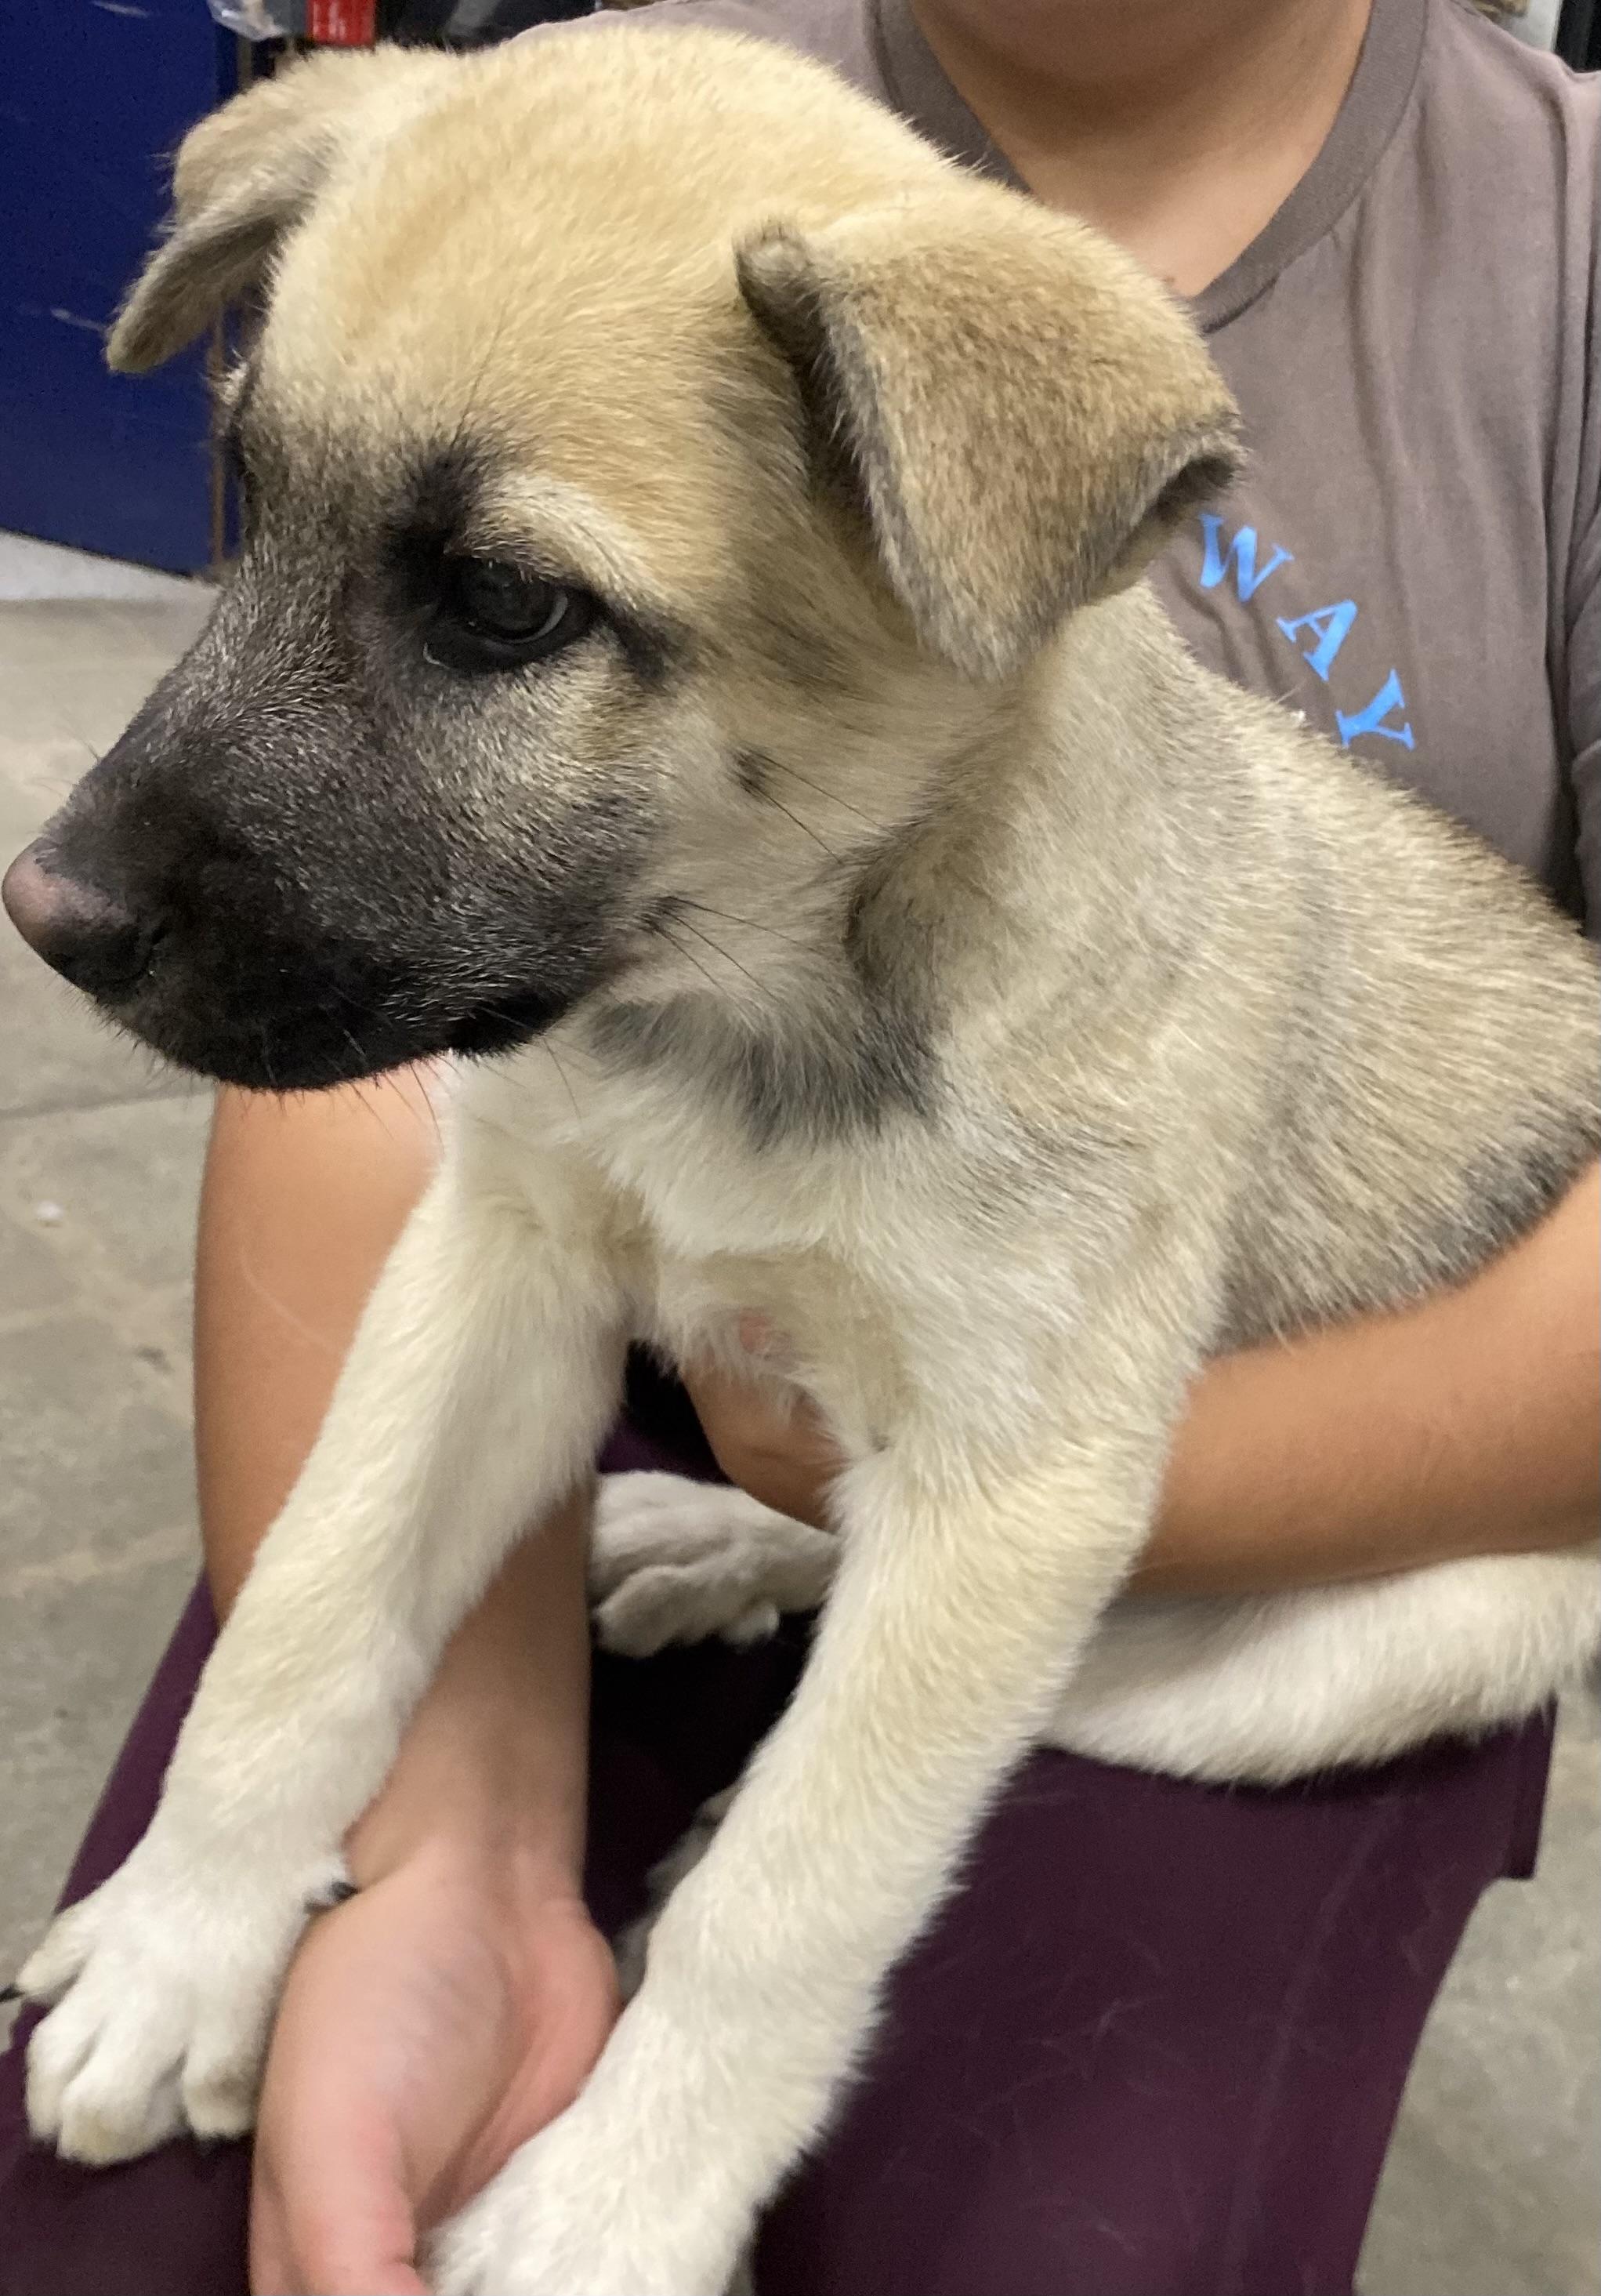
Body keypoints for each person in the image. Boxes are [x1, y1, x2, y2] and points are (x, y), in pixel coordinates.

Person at [2, 2, 1596, 2291]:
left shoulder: (1538, 265)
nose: (72, 878)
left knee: (1075, 2217)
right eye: (267, 482)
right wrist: (298, 1827)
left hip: (1406, 1477)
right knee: (119, 2221)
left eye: (504, 604)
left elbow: (1016, 1473)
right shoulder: (604, 107)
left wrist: (699, 2087)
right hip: (797, 1417)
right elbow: (491, 1225)